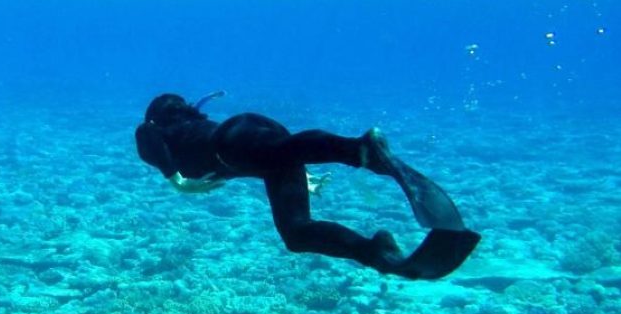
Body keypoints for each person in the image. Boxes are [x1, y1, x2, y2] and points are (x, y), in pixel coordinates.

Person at [135, 92, 480, 280]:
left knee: (280, 151)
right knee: (296, 234)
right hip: (256, 147)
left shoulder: (156, 131)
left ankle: (358, 150)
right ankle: (379, 254)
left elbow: (146, 133)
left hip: (233, 140)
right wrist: (303, 179)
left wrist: (177, 182)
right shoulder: (190, 131)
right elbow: (255, 158)